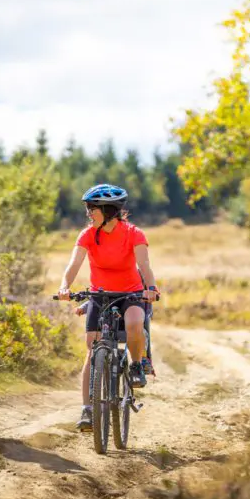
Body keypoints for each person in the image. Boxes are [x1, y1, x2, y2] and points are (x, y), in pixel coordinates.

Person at [57, 184, 159, 432]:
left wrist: (151, 287)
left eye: (92, 209)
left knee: (135, 323)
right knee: (93, 350)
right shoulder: (87, 235)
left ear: (109, 210)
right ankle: (87, 410)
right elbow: (74, 263)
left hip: (131, 293)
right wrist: (64, 286)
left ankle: (136, 365)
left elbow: (144, 265)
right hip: (99, 295)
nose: (89, 213)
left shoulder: (134, 233)